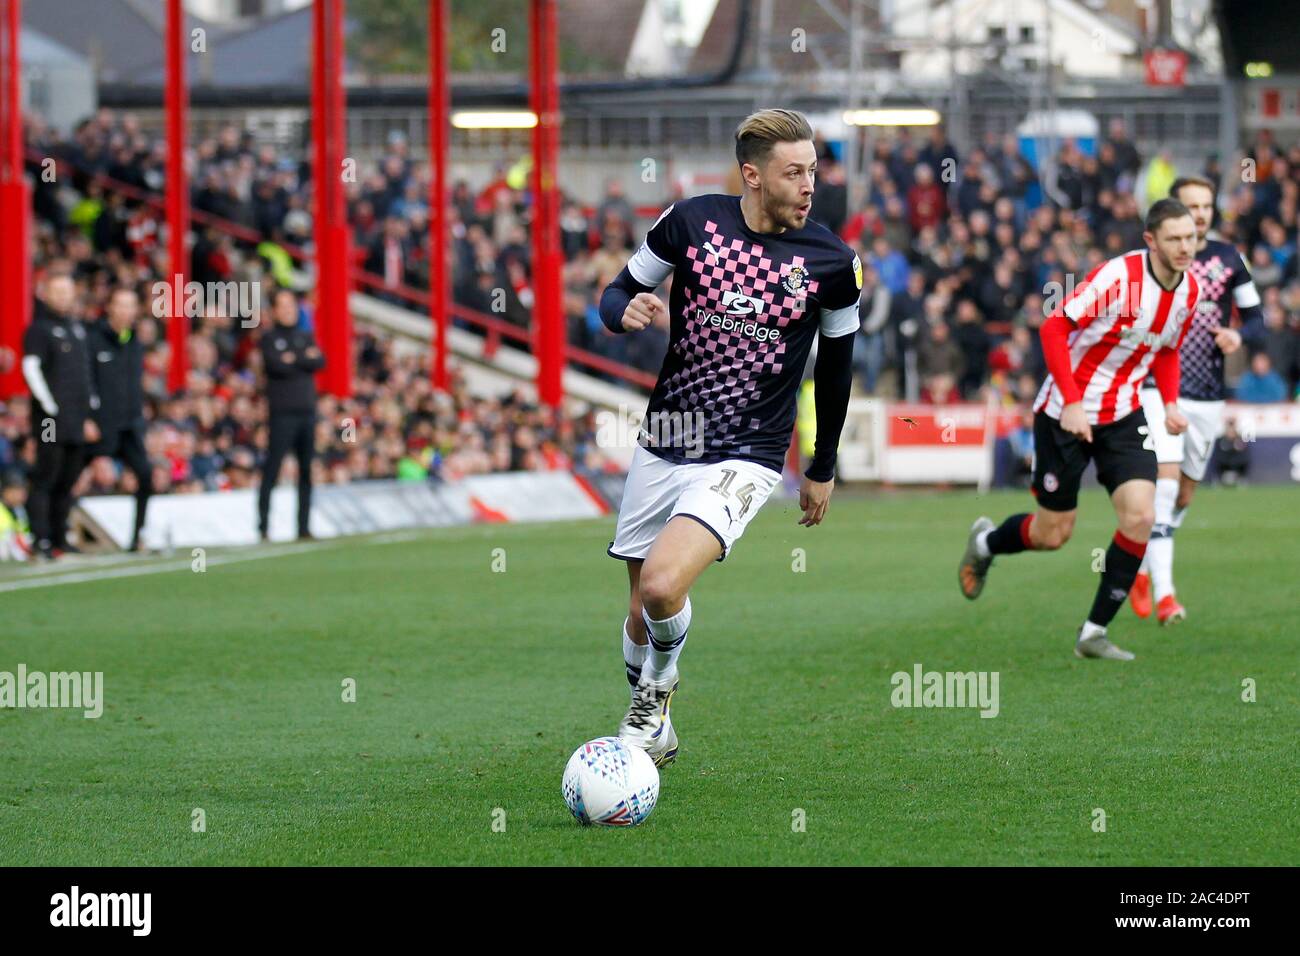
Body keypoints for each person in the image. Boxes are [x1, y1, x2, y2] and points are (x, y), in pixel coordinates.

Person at [597, 109, 861, 765]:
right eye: (793, 172)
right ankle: (653, 722)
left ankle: (655, 696)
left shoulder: (832, 262)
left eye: (812, 172)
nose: (808, 186)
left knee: (662, 586)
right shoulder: (690, 223)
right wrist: (621, 312)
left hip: (748, 450)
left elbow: (836, 369)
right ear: (752, 175)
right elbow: (614, 292)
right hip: (667, 436)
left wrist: (821, 465)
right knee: (639, 612)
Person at [957, 199, 1201, 661]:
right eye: (1174, 238)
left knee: (1141, 516)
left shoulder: (1189, 292)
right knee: (1054, 534)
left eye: (1190, 237)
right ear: (1150, 240)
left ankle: (1093, 633)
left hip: (1124, 413)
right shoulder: (1118, 278)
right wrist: (1071, 402)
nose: (1185, 247)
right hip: (1064, 412)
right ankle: (986, 543)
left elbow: (1167, 348)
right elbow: (1054, 327)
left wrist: (1169, 403)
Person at [1129, 176, 1259, 624]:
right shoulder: (1150, 263)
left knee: (1184, 495)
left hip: (1208, 395)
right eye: (1191, 207)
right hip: (1161, 388)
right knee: (1164, 489)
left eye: (1206, 206)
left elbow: (1258, 318)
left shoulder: (1228, 259)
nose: (1200, 215)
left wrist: (1238, 333)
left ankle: (1142, 563)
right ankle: (1167, 596)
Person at [22, 268, 100, 560]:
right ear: (45, 294)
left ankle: (59, 538)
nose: (64, 297)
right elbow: (31, 369)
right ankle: (40, 539)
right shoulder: (39, 329)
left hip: (76, 418)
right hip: (49, 421)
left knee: (68, 477)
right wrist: (49, 406)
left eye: (68, 291)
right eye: (58, 292)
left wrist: (90, 411)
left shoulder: (77, 329)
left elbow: (85, 374)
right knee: (46, 473)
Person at [88, 287, 153, 551]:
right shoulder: (93, 339)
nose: (126, 311)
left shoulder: (134, 341)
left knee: (146, 475)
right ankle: (53, 536)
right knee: (69, 476)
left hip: (130, 424)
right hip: (100, 425)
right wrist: (89, 418)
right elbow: (86, 382)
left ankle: (137, 536)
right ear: (110, 308)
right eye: (121, 305)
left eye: (131, 306)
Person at [257, 289, 325, 540]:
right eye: (283, 306)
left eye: (291, 306)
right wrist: (302, 359)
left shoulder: (305, 336)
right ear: (274, 310)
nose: (288, 311)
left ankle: (304, 527)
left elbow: (319, 362)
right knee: (272, 468)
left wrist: (293, 359)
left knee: (306, 470)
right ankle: (263, 526)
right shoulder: (269, 338)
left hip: (307, 412)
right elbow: (276, 365)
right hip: (282, 413)